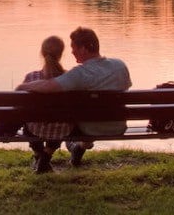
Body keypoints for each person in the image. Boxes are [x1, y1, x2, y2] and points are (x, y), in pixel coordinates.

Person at [16, 26, 132, 166]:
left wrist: (24, 86)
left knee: (67, 120)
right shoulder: (120, 65)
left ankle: (69, 149)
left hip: (89, 127)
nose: (72, 52)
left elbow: (49, 86)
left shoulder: (79, 74)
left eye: (74, 48)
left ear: (83, 49)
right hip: (118, 125)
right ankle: (77, 150)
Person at [19, 36, 74, 174]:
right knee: (62, 122)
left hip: (34, 129)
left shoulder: (31, 78)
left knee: (28, 120)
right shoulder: (70, 78)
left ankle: (39, 155)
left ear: (42, 54)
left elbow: (21, 107)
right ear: (61, 54)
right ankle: (46, 156)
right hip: (62, 130)